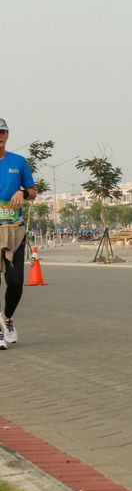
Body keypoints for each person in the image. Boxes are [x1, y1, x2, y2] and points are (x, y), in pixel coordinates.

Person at [0, 118, 37, 349]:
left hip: (15, 229)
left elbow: (33, 191)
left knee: (15, 281)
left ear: (7, 135)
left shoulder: (18, 162)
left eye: (2, 132)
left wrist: (22, 193)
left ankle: (6, 318)